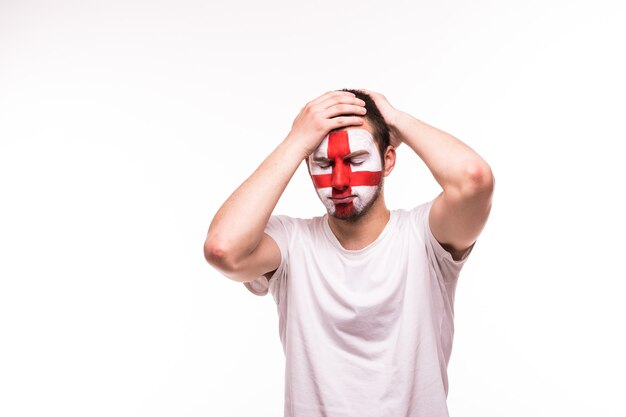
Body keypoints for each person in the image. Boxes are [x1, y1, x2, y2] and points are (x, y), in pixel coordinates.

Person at [204, 89, 494, 417]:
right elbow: (222, 248)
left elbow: (474, 180)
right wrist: (295, 142)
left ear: (388, 161)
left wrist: (398, 120)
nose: (340, 182)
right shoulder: (291, 245)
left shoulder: (425, 239)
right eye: (324, 164)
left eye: (356, 160)